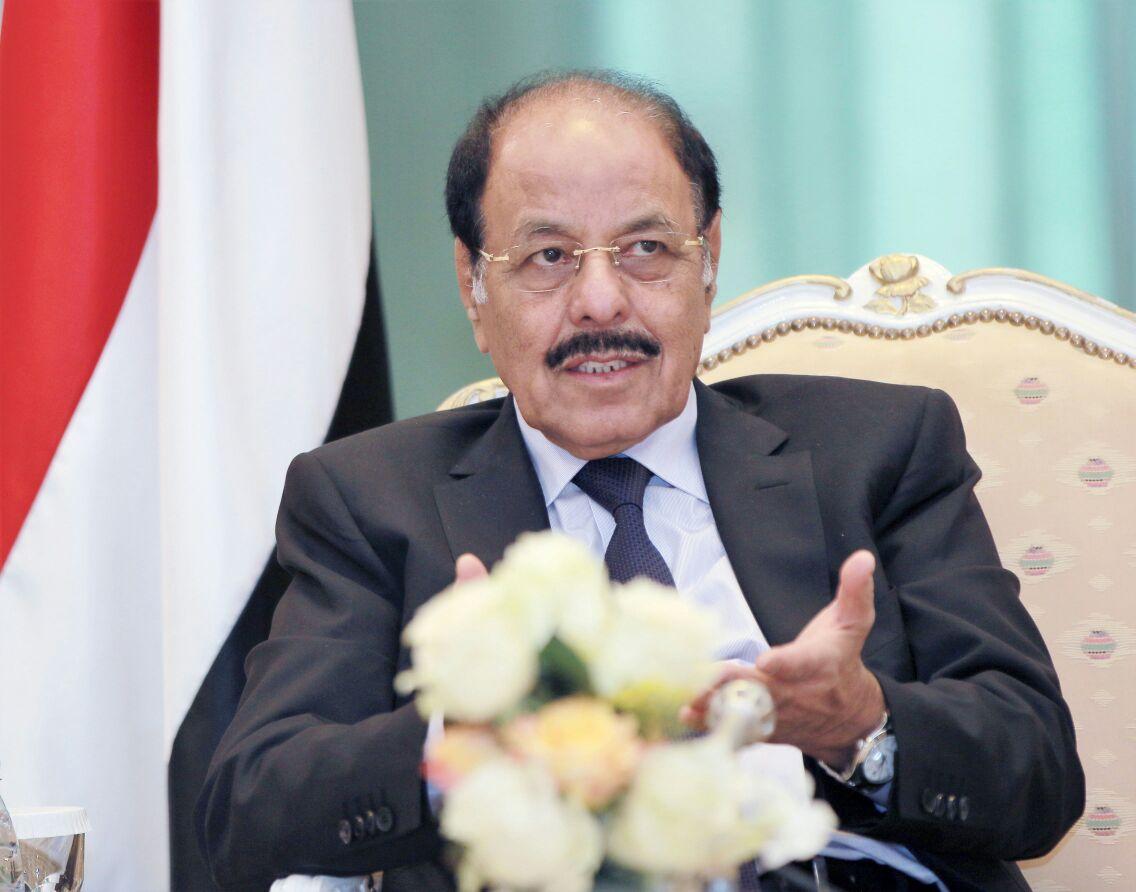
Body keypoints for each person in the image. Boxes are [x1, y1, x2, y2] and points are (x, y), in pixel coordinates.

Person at [197, 71, 1084, 892]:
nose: (600, 302)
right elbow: (251, 806)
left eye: (646, 248)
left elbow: (1038, 772)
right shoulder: (367, 498)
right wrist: (461, 745)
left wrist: (861, 728)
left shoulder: (879, 448)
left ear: (708, 260)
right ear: (473, 286)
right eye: (548, 256)